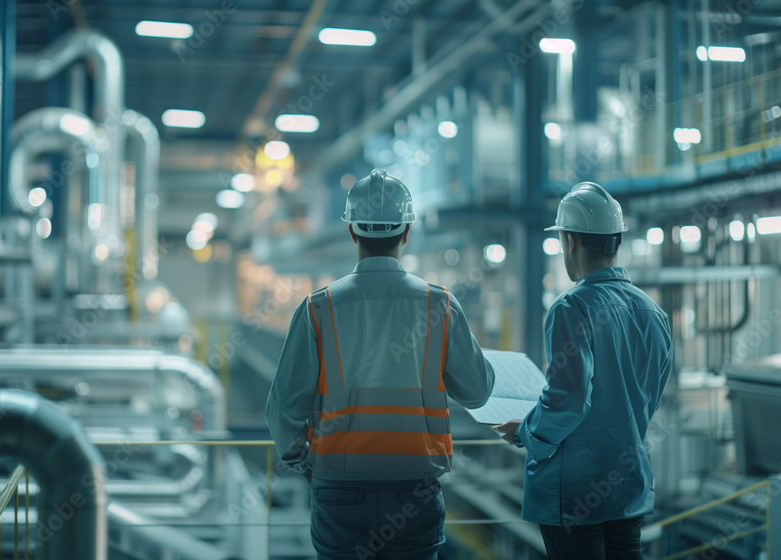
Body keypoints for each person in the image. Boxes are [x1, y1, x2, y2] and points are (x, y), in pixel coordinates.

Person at [265, 169, 495, 560]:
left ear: (352, 232)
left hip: (338, 487)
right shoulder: (437, 305)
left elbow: (283, 409)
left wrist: (306, 463)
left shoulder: (318, 308)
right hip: (413, 490)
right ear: (406, 231)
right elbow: (478, 391)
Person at [494, 182, 673, 560]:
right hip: (627, 482)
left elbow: (568, 399)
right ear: (616, 240)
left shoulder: (572, 307)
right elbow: (649, 394)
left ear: (570, 241)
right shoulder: (652, 312)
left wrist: (526, 430)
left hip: (575, 491)